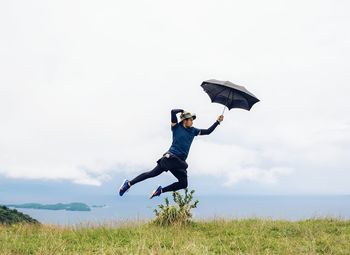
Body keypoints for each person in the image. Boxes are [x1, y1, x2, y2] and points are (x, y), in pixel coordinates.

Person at [119, 108, 224, 199]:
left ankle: (160, 191)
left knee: (183, 184)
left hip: (179, 162)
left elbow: (208, 131)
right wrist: (182, 110)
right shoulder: (176, 127)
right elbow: (173, 112)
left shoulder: (193, 131)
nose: (192, 121)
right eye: (191, 119)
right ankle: (128, 184)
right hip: (171, 158)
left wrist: (217, 121)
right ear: (184, 120)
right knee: (153, 173)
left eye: (192, 119)